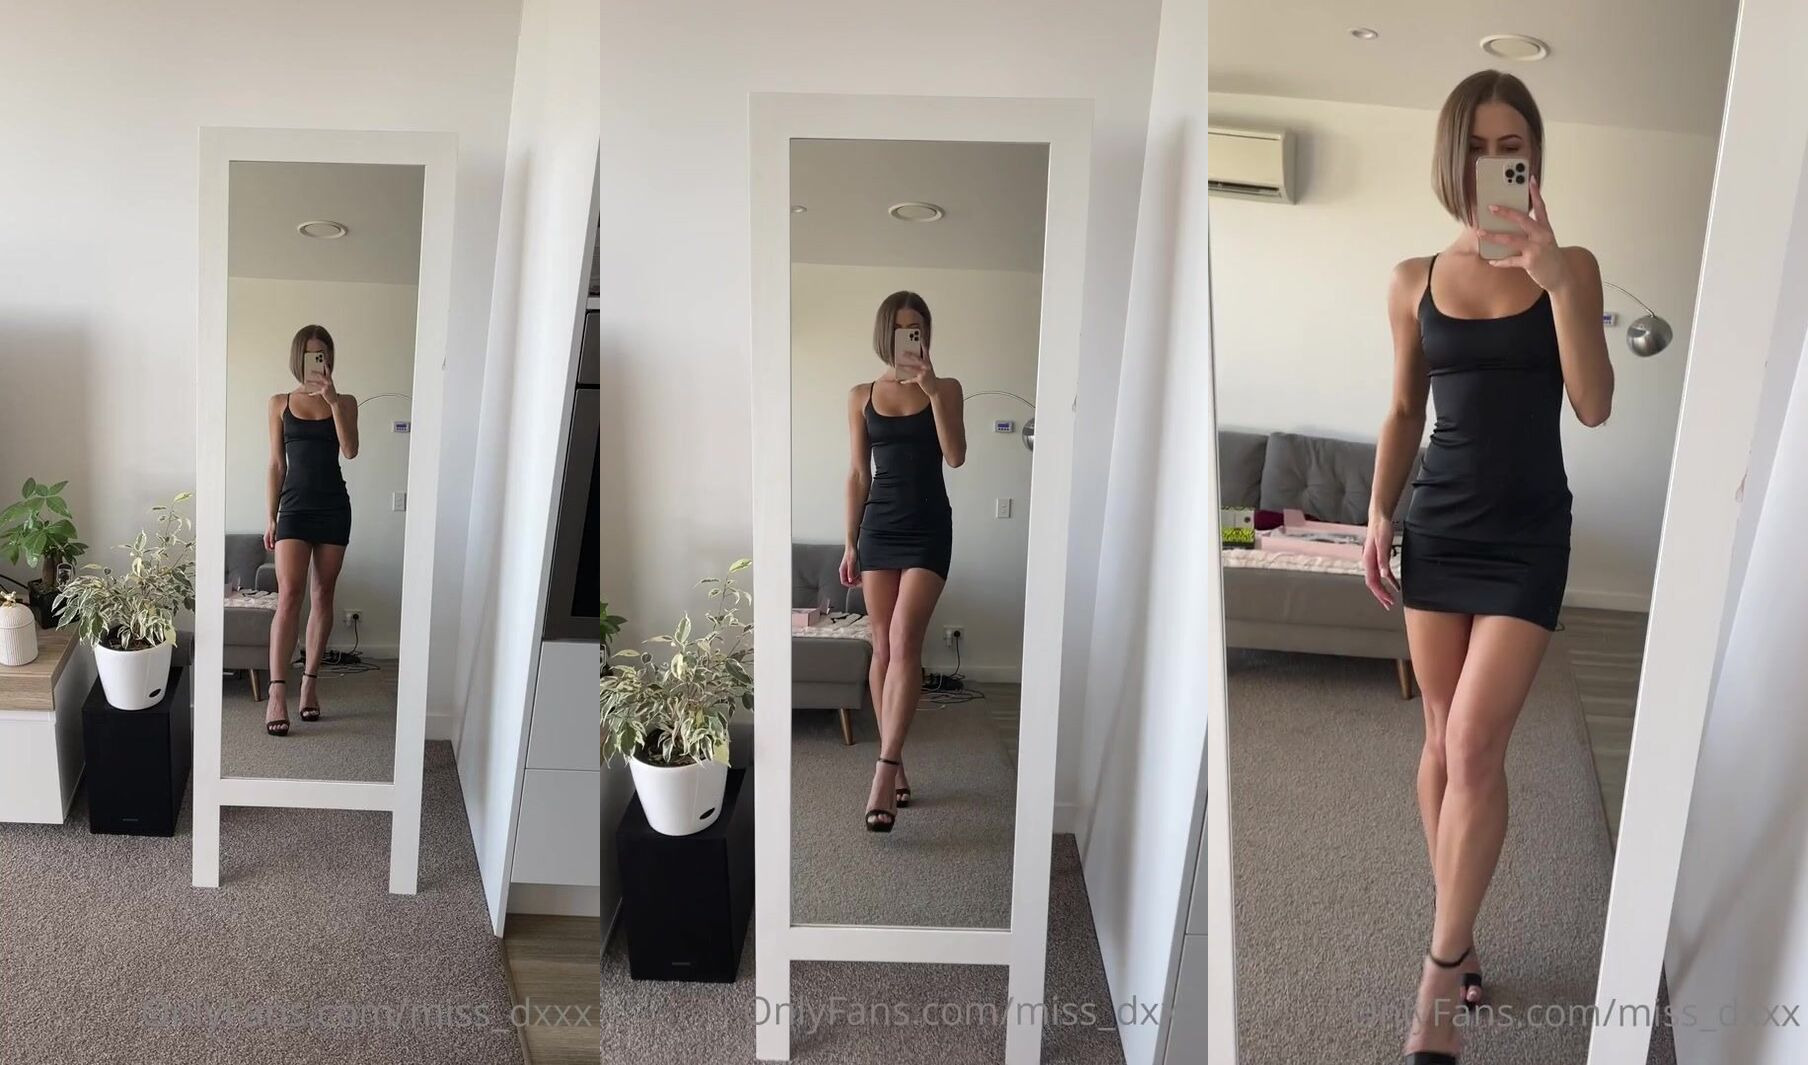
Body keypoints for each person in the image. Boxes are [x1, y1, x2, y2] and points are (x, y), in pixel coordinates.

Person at [1359, 71, 1613, 1065]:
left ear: (1533, 159)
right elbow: (1400, 410)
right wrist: (1378, 515)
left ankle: (1435, 978)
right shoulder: (1411, 278)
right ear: (1450, 156)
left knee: (1472, 744)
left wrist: (1556, 284)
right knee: (1437, 736)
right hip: (1438, 525)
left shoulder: (1572, 267)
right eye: (1477, 146)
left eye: (1512, 146)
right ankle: (1459, 933)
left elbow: (1592, 404)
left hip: (1527, 536)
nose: (1495, 162)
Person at [840, 291, 966, 832]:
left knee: (905, 639)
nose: (910, 337)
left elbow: (955, 456)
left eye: (918, 328)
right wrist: (850, 542)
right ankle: (897, 762)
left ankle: (883, 770)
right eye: (901, 328)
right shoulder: (861, 395)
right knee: (882, 645)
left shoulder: (947, 388)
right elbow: (858, 474)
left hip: (928, 528)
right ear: (884, 333)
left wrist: (931, 391)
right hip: (879, 530)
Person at [263, 324, 360, 737]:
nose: (318, 360)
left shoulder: (346, 401)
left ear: (330, 358)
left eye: (323, 353)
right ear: (298, 357)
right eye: (310, 354)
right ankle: (277, 692)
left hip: (333, 508)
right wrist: (271, 515)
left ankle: (309, 685)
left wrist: (333, 401)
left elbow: (350, 450)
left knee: (323, 595)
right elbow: (276, 464)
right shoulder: (279, 403)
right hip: (294, 509)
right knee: (289, 595)